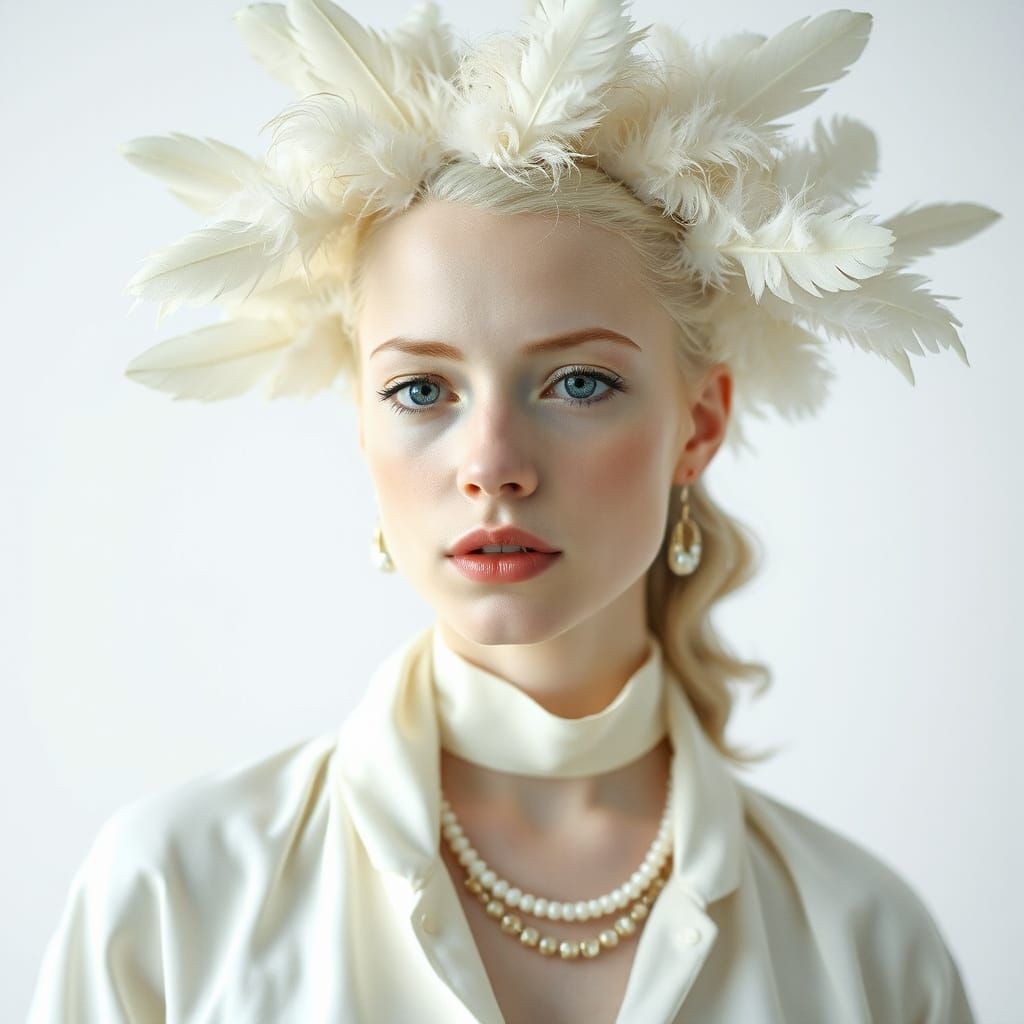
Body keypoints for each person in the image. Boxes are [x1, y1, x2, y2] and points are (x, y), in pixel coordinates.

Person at [28, 1, 995, 1021]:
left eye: (577, 382)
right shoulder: (171, 899)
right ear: (361, 424)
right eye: (420, 390)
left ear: (699, 424)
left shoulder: (865, 945)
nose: (491, 465)